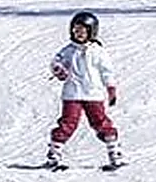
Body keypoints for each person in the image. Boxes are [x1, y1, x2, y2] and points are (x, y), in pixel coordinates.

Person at [45, 10, 123, 170]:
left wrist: (111, 88)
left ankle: (114, 152)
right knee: (67, 123)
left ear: (92, 32)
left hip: (93, 94)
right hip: (72, 94)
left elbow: (106, 71)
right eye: (76, 30)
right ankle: (54, 154)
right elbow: (56, 61)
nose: (78, 33)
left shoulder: (98, 51)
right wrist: (58, 69)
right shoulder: (68, 50)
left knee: (100, 122)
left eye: (82, 30)